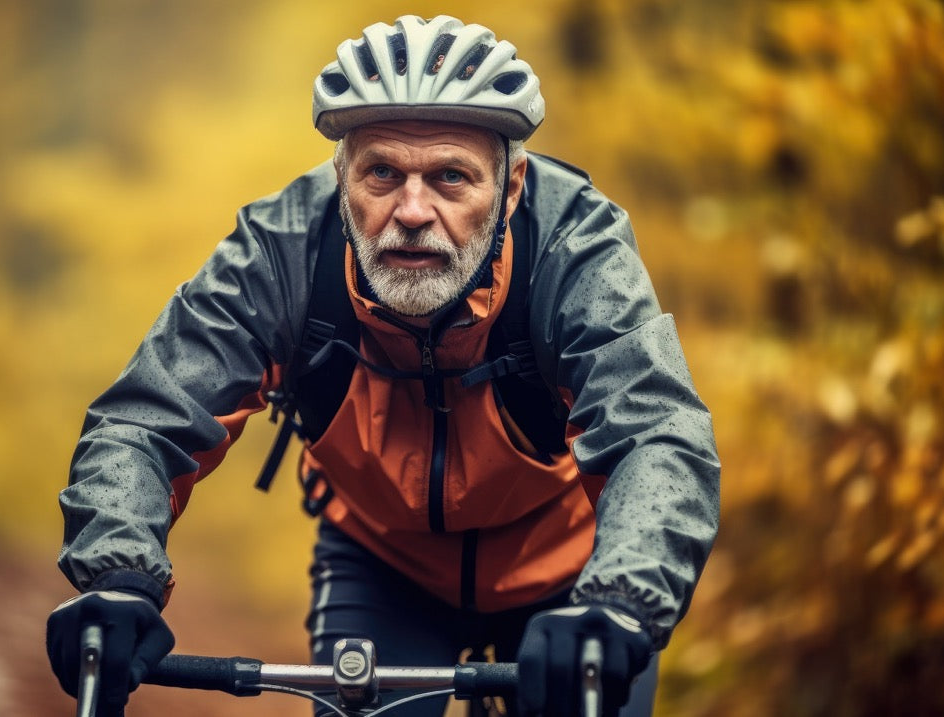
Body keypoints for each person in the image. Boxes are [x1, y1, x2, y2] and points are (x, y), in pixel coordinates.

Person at [46, 14, 720, 717]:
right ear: (343, 179)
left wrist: (621, 600)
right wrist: (117, 578)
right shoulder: (284, 250)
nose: (412, 210)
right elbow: (145, 419)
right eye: (382, 173)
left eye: (451, 177)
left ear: (512, 187)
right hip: (382, 563)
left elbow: (656, 434)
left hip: (570, 576)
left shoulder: (573, 249)